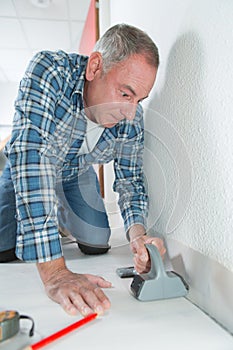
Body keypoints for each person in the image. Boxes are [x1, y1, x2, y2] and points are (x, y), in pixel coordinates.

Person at [0, 24, 166, 316]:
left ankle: (59, 218)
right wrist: (54, 273)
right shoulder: (50, 71)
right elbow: (32, 157)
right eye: (125, 94)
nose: (130, 112)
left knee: (97, 240)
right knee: (3, 248)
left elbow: (130, 181)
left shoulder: (132, 116)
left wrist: (138, 236)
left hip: (75, 174)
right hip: (25, 171)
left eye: (139, 100)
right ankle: (48, 217)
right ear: (95, 66)